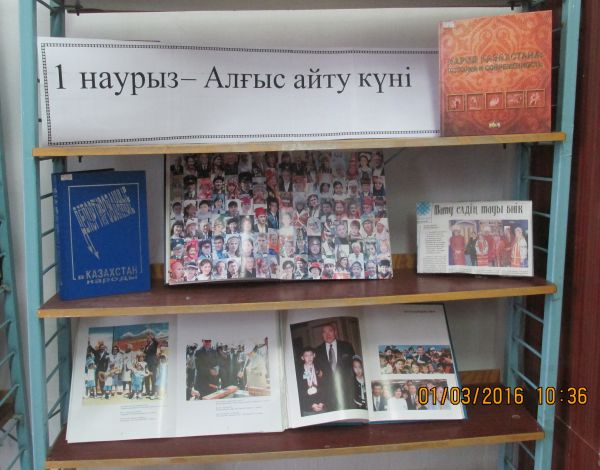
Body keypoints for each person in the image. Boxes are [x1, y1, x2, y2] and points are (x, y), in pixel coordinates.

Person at [314, 322, 356, 410]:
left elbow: (354, 367)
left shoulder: (347, 346)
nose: (328, 334)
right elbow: (315, 369)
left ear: (335, 332)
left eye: (330, 331)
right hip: (328, 395)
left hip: (347, 391)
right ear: (322, 335)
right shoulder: (317, 351)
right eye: (324, 332)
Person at [296, 346, 327, 415]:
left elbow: (326, 386)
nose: (309, 357)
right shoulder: (298, 372)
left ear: (314, 355)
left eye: (311, 355)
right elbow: (299, 391)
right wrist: (311, 405)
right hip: (307, 407)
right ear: (302, 358)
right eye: (306, 356)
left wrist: (322, 402)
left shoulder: (320, 367)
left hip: (321, 405)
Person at [143, 332, 159, 399]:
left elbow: (156, 342)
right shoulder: (147, 346)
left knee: (153, 378)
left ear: (151, 338)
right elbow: (145, 353)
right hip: (146, 363)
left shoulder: (154, 344)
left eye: (149, 338)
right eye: (147, 338)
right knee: (146, 377)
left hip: (153, 363)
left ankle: (153, 392)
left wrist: (152, 337)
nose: (147, 339)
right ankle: (147, 392)